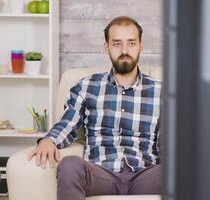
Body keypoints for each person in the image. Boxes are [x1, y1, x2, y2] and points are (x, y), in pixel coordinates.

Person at [27, 16, 162, 199]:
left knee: (184, 171)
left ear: (140, 46)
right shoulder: (86, 86)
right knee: (69, 165)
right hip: (101, 173)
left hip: (145, 174)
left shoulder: (161, 91)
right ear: (106, 47)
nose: (124, 50)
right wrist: (49, 140)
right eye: (116, 44)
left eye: (131, 43)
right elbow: (67, 123)